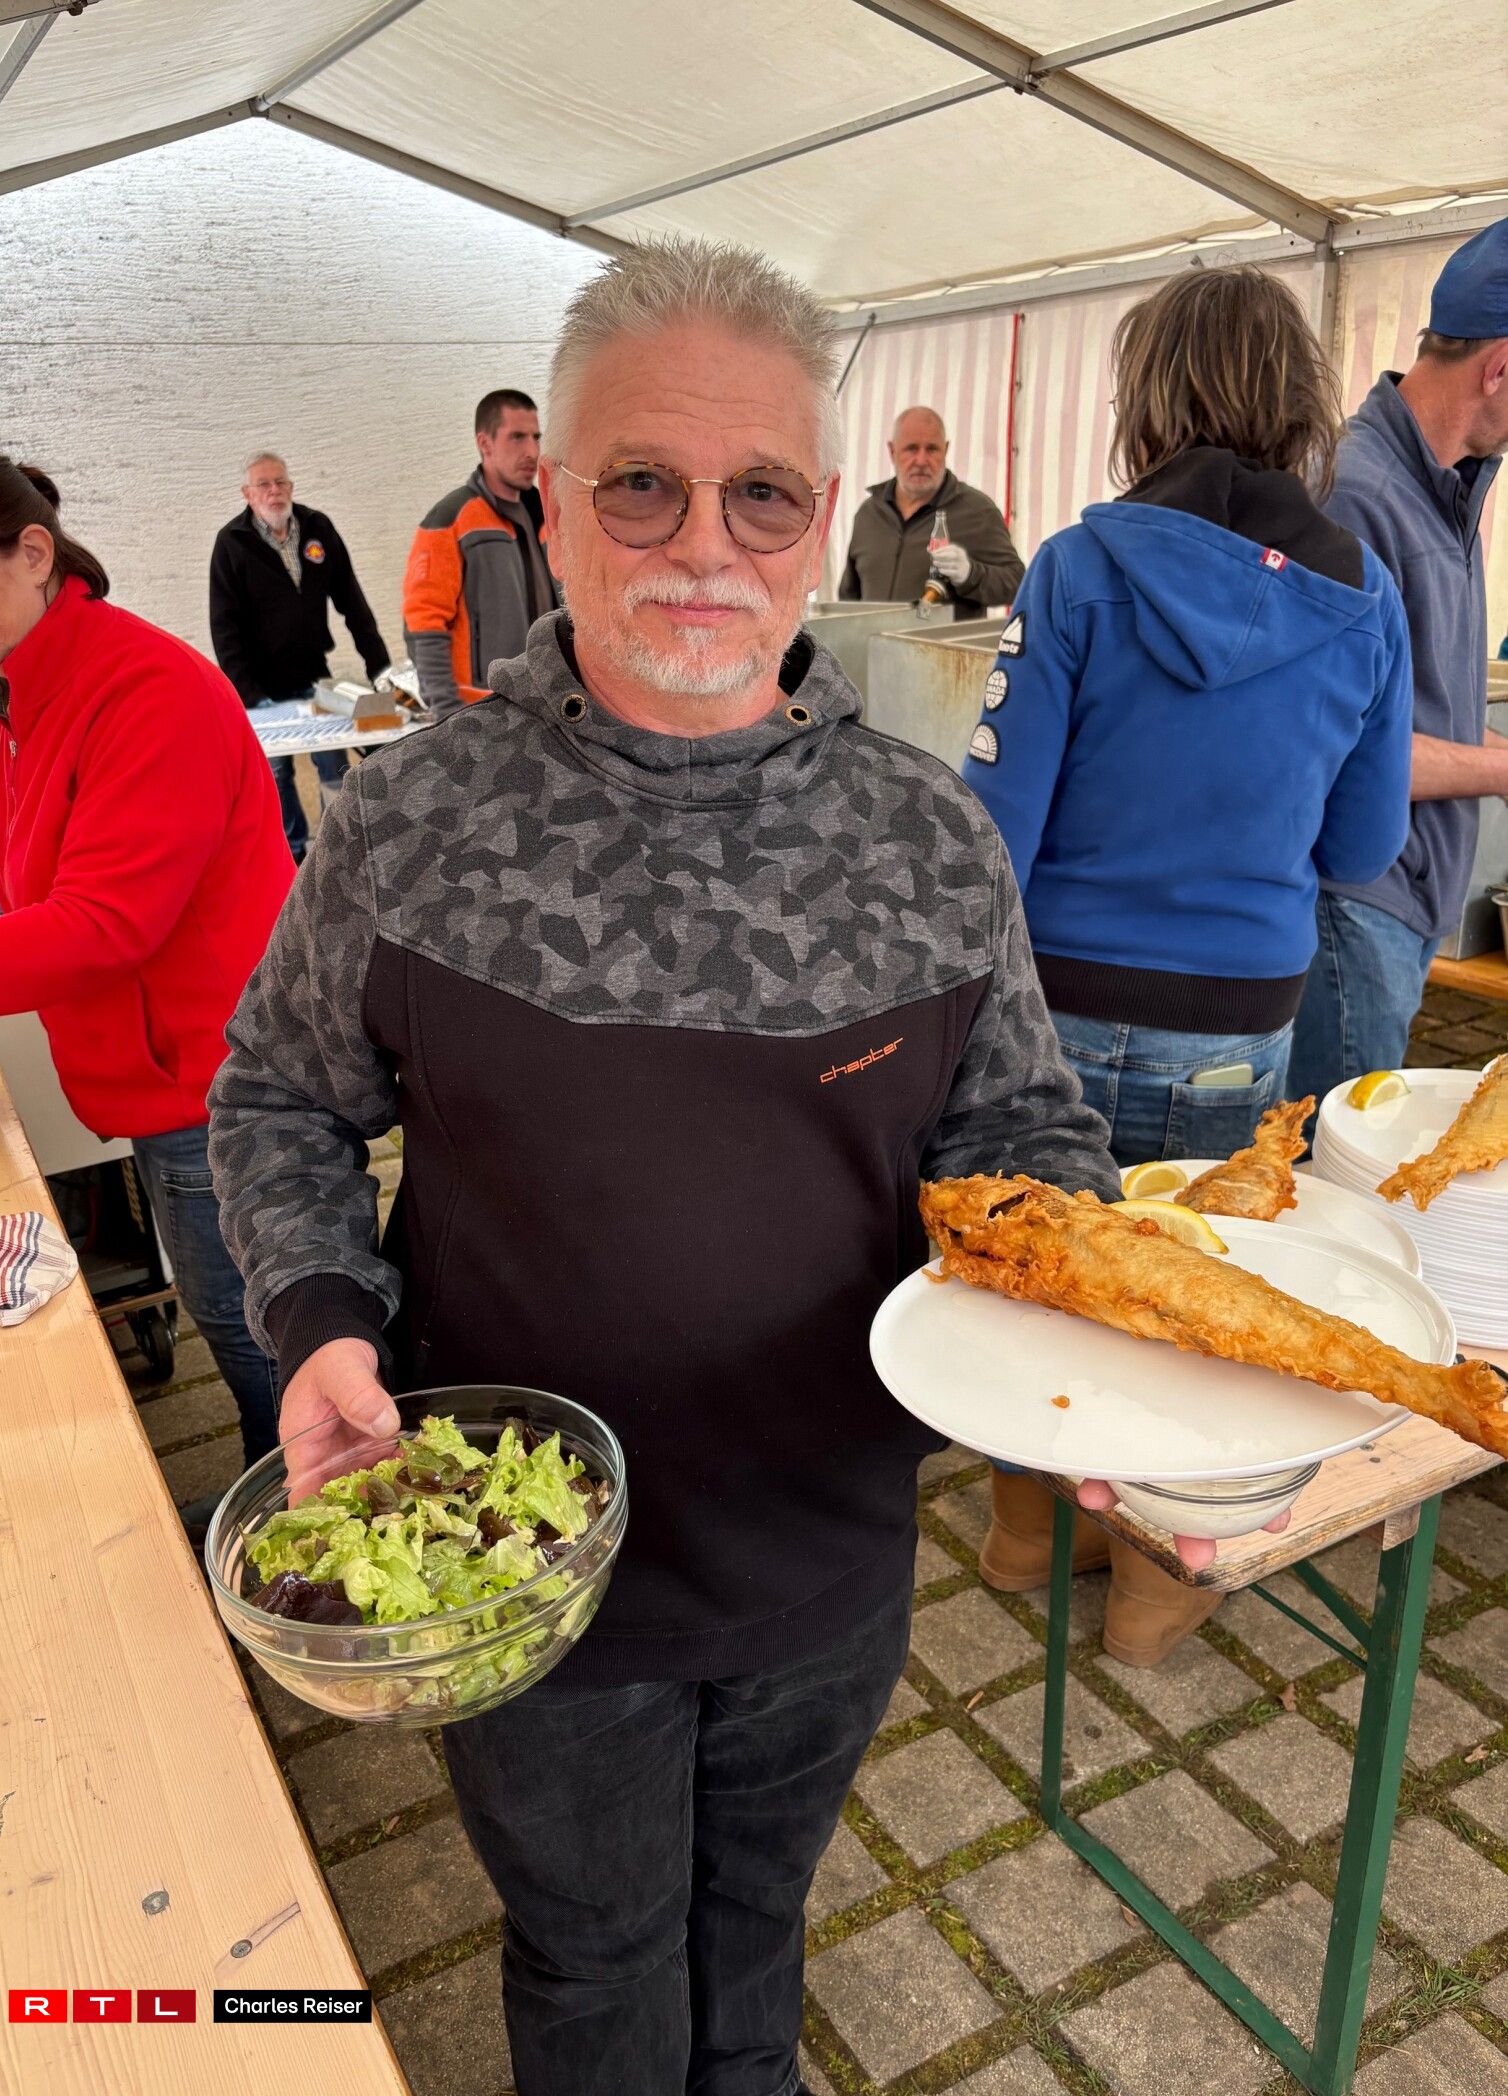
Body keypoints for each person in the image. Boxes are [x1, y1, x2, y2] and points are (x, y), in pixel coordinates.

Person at [209, 235, 1122, 2096]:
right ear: (551, 501)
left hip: (825, 1552)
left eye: (760, 492)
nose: (703, 544)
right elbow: (279, 1097)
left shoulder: (927, 840)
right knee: (594, 1953)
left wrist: (1110, 1355)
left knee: (757, 1925)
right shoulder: (416, 820)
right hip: (527, 1576)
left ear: (819, 524)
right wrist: (320, 1324)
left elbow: (1021, 1139)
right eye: (642, 483)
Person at [959, 268, 1414, 1663]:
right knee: (1189, 1300)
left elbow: (990, 833)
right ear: (1302, 406)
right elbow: (1364, 846)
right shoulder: (1366, 597)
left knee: (1040, 1273)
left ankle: (1028, 1530)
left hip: (1054, 1012)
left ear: (1147, 401)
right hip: (1237, 1025)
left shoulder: (1078, 566)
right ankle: (1159, 1593)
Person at [0, 442, 293, 1509]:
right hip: (154, 1074)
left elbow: (103, 924)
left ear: (32, 551)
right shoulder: (28, 686)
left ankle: (311, 1526)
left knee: (260, 1333)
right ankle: (275, 1504)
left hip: (221, 1082)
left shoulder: (143, 687)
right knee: (235, 1320)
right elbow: (26, 865)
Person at [1287, 219, 1508, 1102]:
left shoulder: (1449, 489)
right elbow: (1338, 751)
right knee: (1326, 1161)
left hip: (1400, 908)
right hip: (1351, 907)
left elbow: (1419, 709)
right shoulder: (1354, 496)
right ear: (1500, 367)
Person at [209, 450, 392, 863]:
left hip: (314, 677)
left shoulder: (317, 528)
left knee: (334, 764)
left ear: (291, 487)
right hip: (261, 689)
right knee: (276, 776)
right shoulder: (231, 544)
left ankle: (336, 852)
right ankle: (290, 857)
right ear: (247, 493)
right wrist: (250, 696)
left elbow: (354, 606)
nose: (274, 491)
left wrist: (382, 674)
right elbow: (224, 630)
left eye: (281, 482)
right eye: (264, 484)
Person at [402, 388, 560, 713]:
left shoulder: (548, 516)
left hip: (546, 702)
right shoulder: (450, 519)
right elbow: (424, 625)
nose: (532, 451)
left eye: (536, 437)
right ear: (485, 444)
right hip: (480, 709)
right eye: (517, 437)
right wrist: (447, 712)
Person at [838, 405, 1024, 615]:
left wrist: (970, 574)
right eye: (911, 448)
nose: (921, 460)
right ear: (892, 451)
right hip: (871, 637)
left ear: (946, 450)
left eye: (932, 449)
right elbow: (848, 597)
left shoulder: (978, 512)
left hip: (941, 639)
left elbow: (1017, 583)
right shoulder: (869, 513)